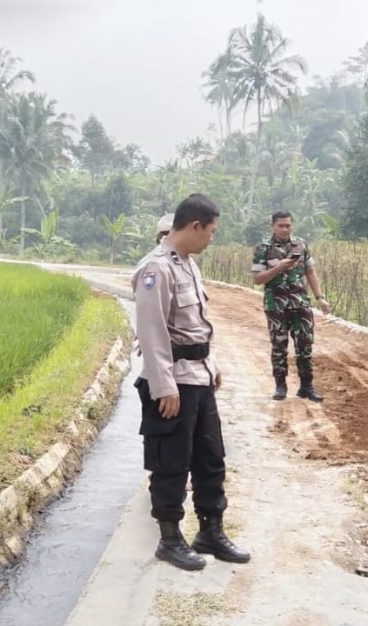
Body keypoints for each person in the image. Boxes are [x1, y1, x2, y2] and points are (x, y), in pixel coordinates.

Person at [132, 193, 250, 571]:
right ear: (195, 225)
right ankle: (169, 539)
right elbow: (152, 333)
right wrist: (163, 387)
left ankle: (210, 531)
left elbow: (197, 325)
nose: (212, 239)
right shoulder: (156, 269)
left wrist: (211, 364)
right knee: (171, 462)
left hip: (198, 379)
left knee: (210, 458)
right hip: (174, 385)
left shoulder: (189, 266)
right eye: (211, 231)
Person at [251, 211, 330, 402]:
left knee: (305, 344)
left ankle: (306, 386)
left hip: (300, 302)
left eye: (288, 225)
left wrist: (320, 297)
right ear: (273, 226)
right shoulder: (264, 248)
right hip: (276, 304)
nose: (285, 229)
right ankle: (280, 386)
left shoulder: (300, 245)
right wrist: (280, 267)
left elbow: (310, 271)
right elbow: (257, 279)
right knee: (279, 344)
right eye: (281, 225)